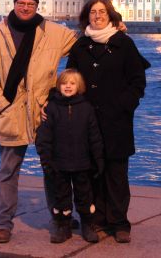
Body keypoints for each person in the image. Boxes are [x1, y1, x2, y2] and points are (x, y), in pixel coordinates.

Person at [0, 0, 78, 244]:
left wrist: (113, 28)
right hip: (12, 111)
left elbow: (83, 45)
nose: (25, 7)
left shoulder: (53, 32)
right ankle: (2, 223)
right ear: (14, 4)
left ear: (37, 6)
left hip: (44, 111)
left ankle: (60, 217)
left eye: (31, 4)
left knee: (54, 169)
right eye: (21, 3)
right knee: (8, 170)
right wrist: (2, 104)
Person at [66, 0, 150, 244]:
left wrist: (125, 105)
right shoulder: (81, 45)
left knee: (116, 173)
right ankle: (96, 219)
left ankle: (120, 223)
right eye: (93, 12)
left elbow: (138, 81)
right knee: (92, 172)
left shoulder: (124, 43)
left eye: (102, 12)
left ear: (111, 15)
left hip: (117, 120)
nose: (98, 16)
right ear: (87, 17)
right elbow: (70, 78)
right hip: (87, 120)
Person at [35, 69, 104, 244]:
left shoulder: (86, 108)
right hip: (59, 163)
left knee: (85, 195)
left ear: (79, 86)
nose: (68, 86)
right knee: (61, 196)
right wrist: (46, 161)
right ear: (58, 86)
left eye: (72, 83)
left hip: (82, 163)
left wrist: (98, 159)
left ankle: (87, 224)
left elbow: (94, 136)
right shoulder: (52, 108)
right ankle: (63, 226)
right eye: (64, 83)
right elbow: (43, 138)